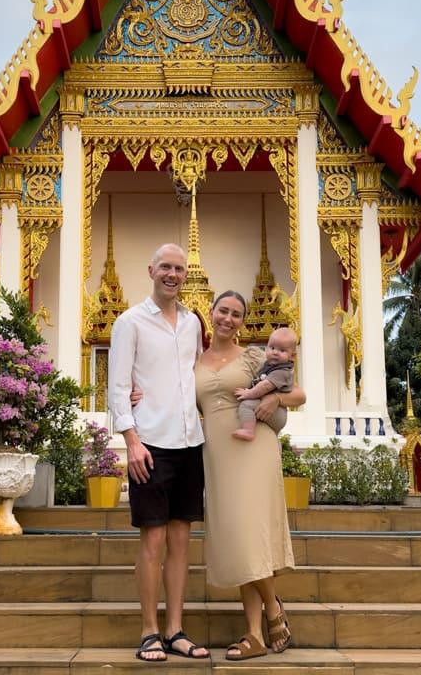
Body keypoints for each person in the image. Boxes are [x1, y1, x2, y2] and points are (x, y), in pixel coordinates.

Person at [107, 243, 210, 663]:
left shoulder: (191, 325)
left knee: (182, 541)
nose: (172, 274)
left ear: (186, 275)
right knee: (153, 538)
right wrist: (131, 440)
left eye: (179, 268)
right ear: (151, 270)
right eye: (165, 267)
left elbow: (200, 377)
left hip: (190, 443)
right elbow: (116, 385)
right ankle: (150, 631)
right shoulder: (129, 322)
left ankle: (175, 629)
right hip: (149, 444)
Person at [196, 292, 306, 660]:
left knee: (250, 536)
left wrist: (276, 400)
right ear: (210, 314)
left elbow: (298, 393)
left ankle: (269, 617)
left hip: (254, 449)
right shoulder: (193, 363)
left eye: (236, 314)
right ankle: (256, 632)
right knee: (240, 539)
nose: (228, 318)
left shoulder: (255, 356)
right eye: (223, 311)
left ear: (243, 321)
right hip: (219, 455)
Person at [232, 326, 297, 441]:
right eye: (272, 348)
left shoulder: (282, 371)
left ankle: (248, 430)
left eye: (282, 350)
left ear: (292, 355)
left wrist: (249, 393)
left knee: (246, 405)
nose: (275, 352)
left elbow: (265, 386)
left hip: (277, 411)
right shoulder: (268, 365)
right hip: (268, 408)